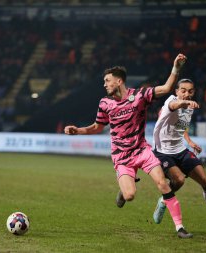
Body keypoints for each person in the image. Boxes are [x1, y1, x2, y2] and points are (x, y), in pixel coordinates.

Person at [64, 54, 193, 238]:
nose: (105, 84)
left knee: (162, 183)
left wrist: (176, 68)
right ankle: (124, 191)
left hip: (142, 150)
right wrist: (77, 130)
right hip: (121, 156)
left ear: (119, 81)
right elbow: (96, 127)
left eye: (107, 81)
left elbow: (165, 89)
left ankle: (180, 228)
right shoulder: (105, 103)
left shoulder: (140, 95)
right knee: (130, 195)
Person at [152, 79, 206, 232]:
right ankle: (163, 200)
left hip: (180, 149)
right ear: (176, 91)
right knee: (179, 180)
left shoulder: (190, 107)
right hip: (163, 152)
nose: (186, 94)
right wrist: (184, 103)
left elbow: (182, 126)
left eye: (190, 91)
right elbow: (174, 106)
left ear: (194, 92)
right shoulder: (171, 101)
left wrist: (189, 141)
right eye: (183, 90)